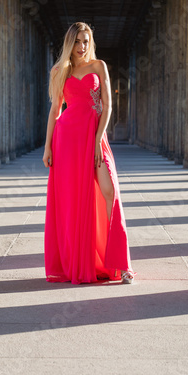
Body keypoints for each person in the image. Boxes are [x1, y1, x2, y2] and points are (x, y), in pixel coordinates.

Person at [43, 22, 135, 285]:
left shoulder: (98, 66)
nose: (82, 47)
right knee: (73, 202)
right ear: (69, 44)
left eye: (86, 41)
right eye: (77, 42)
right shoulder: (59, 71)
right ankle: (78, 263)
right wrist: (48, 146)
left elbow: (107, 106)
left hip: (94, 139)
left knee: (110, 192)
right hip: (67, 141)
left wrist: (97, 141)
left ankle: (121, 264)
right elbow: (55, 111)